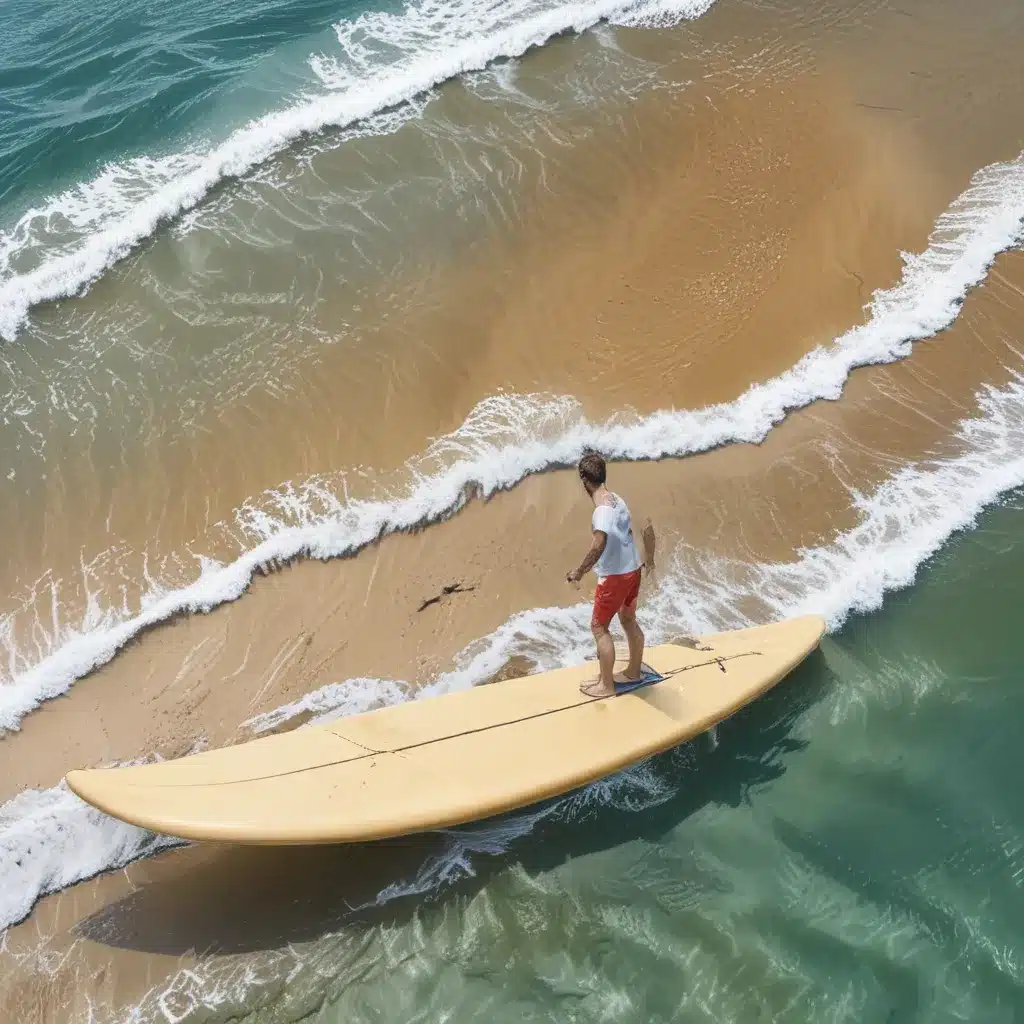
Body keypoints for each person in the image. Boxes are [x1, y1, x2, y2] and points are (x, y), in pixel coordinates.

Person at [566, 451, 650, 698]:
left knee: (599, 627)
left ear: (584, 479)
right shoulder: (617, 500)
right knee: (628, 620)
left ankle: (606, 685)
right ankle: (634, 672)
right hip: (633, 570)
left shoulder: (601, 510)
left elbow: (598, 543)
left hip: (615, 577)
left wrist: (579, 572)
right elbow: (630, 533)